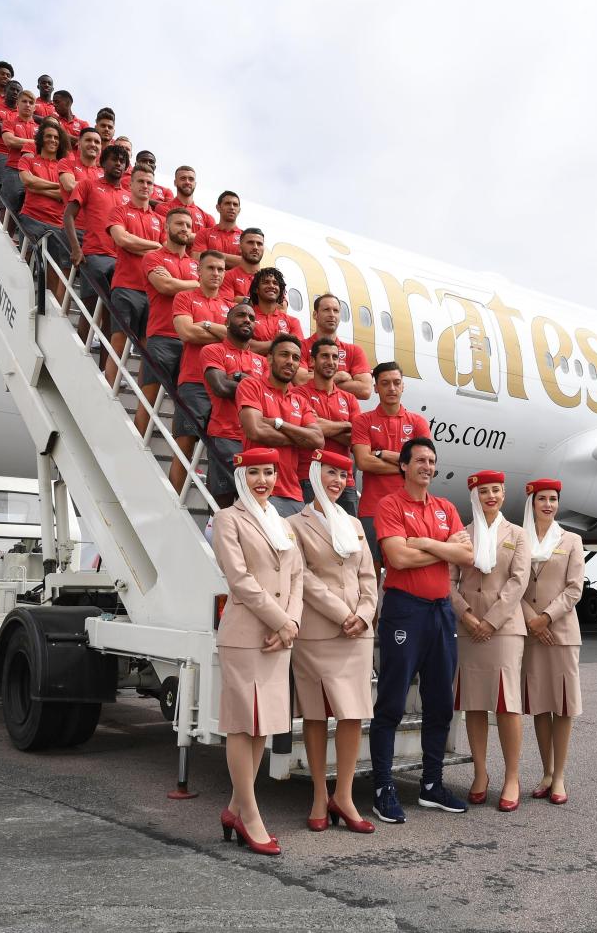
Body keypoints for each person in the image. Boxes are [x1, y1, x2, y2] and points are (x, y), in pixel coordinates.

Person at [369, 437, 474, 823]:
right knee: (393, 702)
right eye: (420, 461)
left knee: (440, 703)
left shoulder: (446, 507)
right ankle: (383, 787)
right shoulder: (390, 505)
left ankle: (432, 785)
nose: (427, 467)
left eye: (432, 461)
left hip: (441, 613)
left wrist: (427, 543)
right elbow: (396, 556)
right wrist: (444, 547)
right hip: (405, 612)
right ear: (404, 466)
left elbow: (467, 554)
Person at [212, 447, 303, 856]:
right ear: (240, 477)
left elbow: (298, 577)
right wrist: (279, 621)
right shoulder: (228, 520)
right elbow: (240, 579)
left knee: (262, 726)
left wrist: (292, 624)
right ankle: (250, 816)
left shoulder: (282, 523)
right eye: (254, 473)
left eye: (268, 472)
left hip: (279, 636)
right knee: (241, 725)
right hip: (247, 635)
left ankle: (233, 808)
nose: (263, 480)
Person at [288, 449, 378, 834]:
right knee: (315, 713)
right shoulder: (294, 523)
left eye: (343, 476)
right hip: (320, 630)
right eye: (330, 473)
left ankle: (345, 794)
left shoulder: (354, 524)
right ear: (313, 474)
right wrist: (344, 614)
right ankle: (318, 796)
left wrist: (366, 612)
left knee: (352, 713)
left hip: (357, 632)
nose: (337, 482)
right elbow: (302, 577)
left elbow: (369, 576)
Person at [449, 471, 530, 812]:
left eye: (496, 490)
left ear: (503, 493)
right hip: (469, 628)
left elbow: (518, 581)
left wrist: (491, 620)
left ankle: (512, 777)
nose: (491, 496)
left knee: (506, 703)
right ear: (475, 496)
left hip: (505, 629)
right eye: (484, 491)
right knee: (474, 703)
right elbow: (449, 581)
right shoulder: (460, 536)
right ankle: (480, 773)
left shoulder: (518, 535)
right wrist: (466, 615)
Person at [520, 478, 585, 806]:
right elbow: (513, 582)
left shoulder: (571, 539)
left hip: (560, 634)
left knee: (563, 707)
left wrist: (545, 618)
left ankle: (559, 775)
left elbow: (574, 588)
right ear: (531, 502)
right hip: (530, 633)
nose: (548, 504)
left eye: (553, 499)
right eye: (542, 498)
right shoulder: (520, 539)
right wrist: (531, 619)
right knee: (539, 706)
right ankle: (545, 773)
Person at [352, 361, 431, 578]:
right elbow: (363, 462)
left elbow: (424, 465)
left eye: (397, 383)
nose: (392, 388)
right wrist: (406, 465)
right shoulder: (363, 421)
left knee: (409, 570)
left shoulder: (418, 422)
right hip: (372, 508)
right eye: (385, 383)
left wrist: (381, 453)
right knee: (371, 572)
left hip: (411, 507)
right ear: (376, 387)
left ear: (403, 386)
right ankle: (373, 614)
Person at [236, 334, 324, 517]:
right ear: (269, 358)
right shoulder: (251, 386)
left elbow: (317, 440)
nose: (290, 361)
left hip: (293, 492)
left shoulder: (300, 400)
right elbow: (255, 430)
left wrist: (279, 424)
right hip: (261, 490)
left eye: (296, 358)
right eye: (284, 355)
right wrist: (299, 439)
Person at [168, 251, 231, 493]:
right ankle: (175, 501)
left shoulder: (228, 305)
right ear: (199, 270)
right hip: (193, 382)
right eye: (211, 268)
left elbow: (239, 341)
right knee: (185, 446)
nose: (216, 273)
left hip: (221, 387)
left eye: (221, 269)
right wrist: (221, 333)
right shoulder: (184, 297)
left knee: (219, 449)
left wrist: (204, 324)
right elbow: (187, 333)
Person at [134, 209, 199, 437]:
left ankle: (185, 461)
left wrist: (176, 281)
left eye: (188, 226)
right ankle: (136, 452)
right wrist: (195, 285)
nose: (184, 229)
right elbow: (165, 287)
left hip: (189, 341)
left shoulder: (195, 265)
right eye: (179, 224)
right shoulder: (154, 257)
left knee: (184, 405)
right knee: (148, 400)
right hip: (161, 337)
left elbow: (175, 286)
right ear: (166, 227)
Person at [64, 144, 131, 355]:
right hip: (95, 256)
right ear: (103, 162)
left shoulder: (129, 196)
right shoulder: (87, 185)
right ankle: (77, 357)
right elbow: (68, 216)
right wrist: (76, 248)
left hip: (121, 263)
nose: (118, 163)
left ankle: (104, 370)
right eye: (114, 159)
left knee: (112, 318)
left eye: (122, 160)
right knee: (89, 311)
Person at [201, 302, 267, 507]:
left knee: (252, 503)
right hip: (224, 435)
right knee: (222, 503)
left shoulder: (263, 362)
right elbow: (220, 387)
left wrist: (238, 378)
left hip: (255, 437)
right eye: (241, 315)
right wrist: (252, 385)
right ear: (227, 322)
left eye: (251, 317)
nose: (247, 320)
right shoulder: (213, 350)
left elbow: (267, 398)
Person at [105, 164, 164, 388]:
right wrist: (155, 246)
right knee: (119, 342)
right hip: (125, 286)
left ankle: (141, 396)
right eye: (141, 181)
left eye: (149, 183)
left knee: (147, 350)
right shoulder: (119, 211)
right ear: (130, 184)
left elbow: (166, 251)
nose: (145, 186)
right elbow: (122, 240)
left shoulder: (159, 219)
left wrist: (141, 246)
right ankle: (109, 388)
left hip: (152, 291)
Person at [295, 338, 361, 516]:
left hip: (344, 480)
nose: (331, 361)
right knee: (313, 536)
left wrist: (322, 425)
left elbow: (356, 439)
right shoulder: (298, 394)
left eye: (334, 357)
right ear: (312, 361)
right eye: (325, 356)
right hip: (310, 476)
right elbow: (307, 432)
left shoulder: (349, 399)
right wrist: (346, 425)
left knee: (349, 540)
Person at [18, 120, 71, 302]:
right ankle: (19, 297)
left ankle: (50, 310)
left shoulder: (64, 167)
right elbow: (27, 182)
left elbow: (65, 195)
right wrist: (59, 187)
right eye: (48, 136)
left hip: (57, 223)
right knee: (23, 261)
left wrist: (37, 187)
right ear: (41, 138)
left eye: (56, 137)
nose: (53, 140)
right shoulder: (28, 159)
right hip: (31, 217)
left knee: (53, 271)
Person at [295, 294, 372, 399]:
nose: (332, 315)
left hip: (341, 413)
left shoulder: (354, 351)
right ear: (315, 315)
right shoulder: (300, 347)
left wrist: (316, 379)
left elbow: (365, 390)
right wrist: (340, 376)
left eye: (336, 311)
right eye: (326, 310)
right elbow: (300, 381)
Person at [246, 267, 304, 355]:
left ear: (280, 290)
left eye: (275, 283)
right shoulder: (245, 316)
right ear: (256, 289)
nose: (271, 286)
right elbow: (243, 345)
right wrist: (281, 342)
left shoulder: (293, 321)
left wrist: (261, 346)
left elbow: (297, 350)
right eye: (266, 282)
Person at [0, 90, 38, 213]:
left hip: (34, 174)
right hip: (14, 169)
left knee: (29, 212)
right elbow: (9, 141)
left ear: (34, 107)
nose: (27, 105)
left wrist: (22, 142)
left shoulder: (41, 128)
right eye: (24, 101)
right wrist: (37, 143)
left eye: (31, 102)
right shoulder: (9, 122)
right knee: (8, 212)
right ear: (18, 103)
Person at [155, 166, 215, 242]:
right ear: (175, 182)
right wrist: (203, 238)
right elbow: (169, 235)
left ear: (195, 184)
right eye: (183, 178)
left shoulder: (207, 217)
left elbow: (213, 241)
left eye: (191, 179)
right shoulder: (163, 208)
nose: (187, 182)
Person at [192, 191, 242, 267]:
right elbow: (197, 260)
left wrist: (210, 254)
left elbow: (248, 264)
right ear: (218, 208)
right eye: (227, 203)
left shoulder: (245, 237)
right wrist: (236, 260)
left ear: (239, 210)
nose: (232, 207)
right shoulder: (203, 233)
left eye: (235, 205)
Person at [221, 228, 265, 302]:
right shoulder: (227, 276)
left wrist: (240, 299)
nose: (255, 247)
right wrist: (264, 301)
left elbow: (282, 308)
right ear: (239, 247)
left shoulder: (272, 280)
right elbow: (226, 305)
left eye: (259, 244)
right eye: (250, 243)